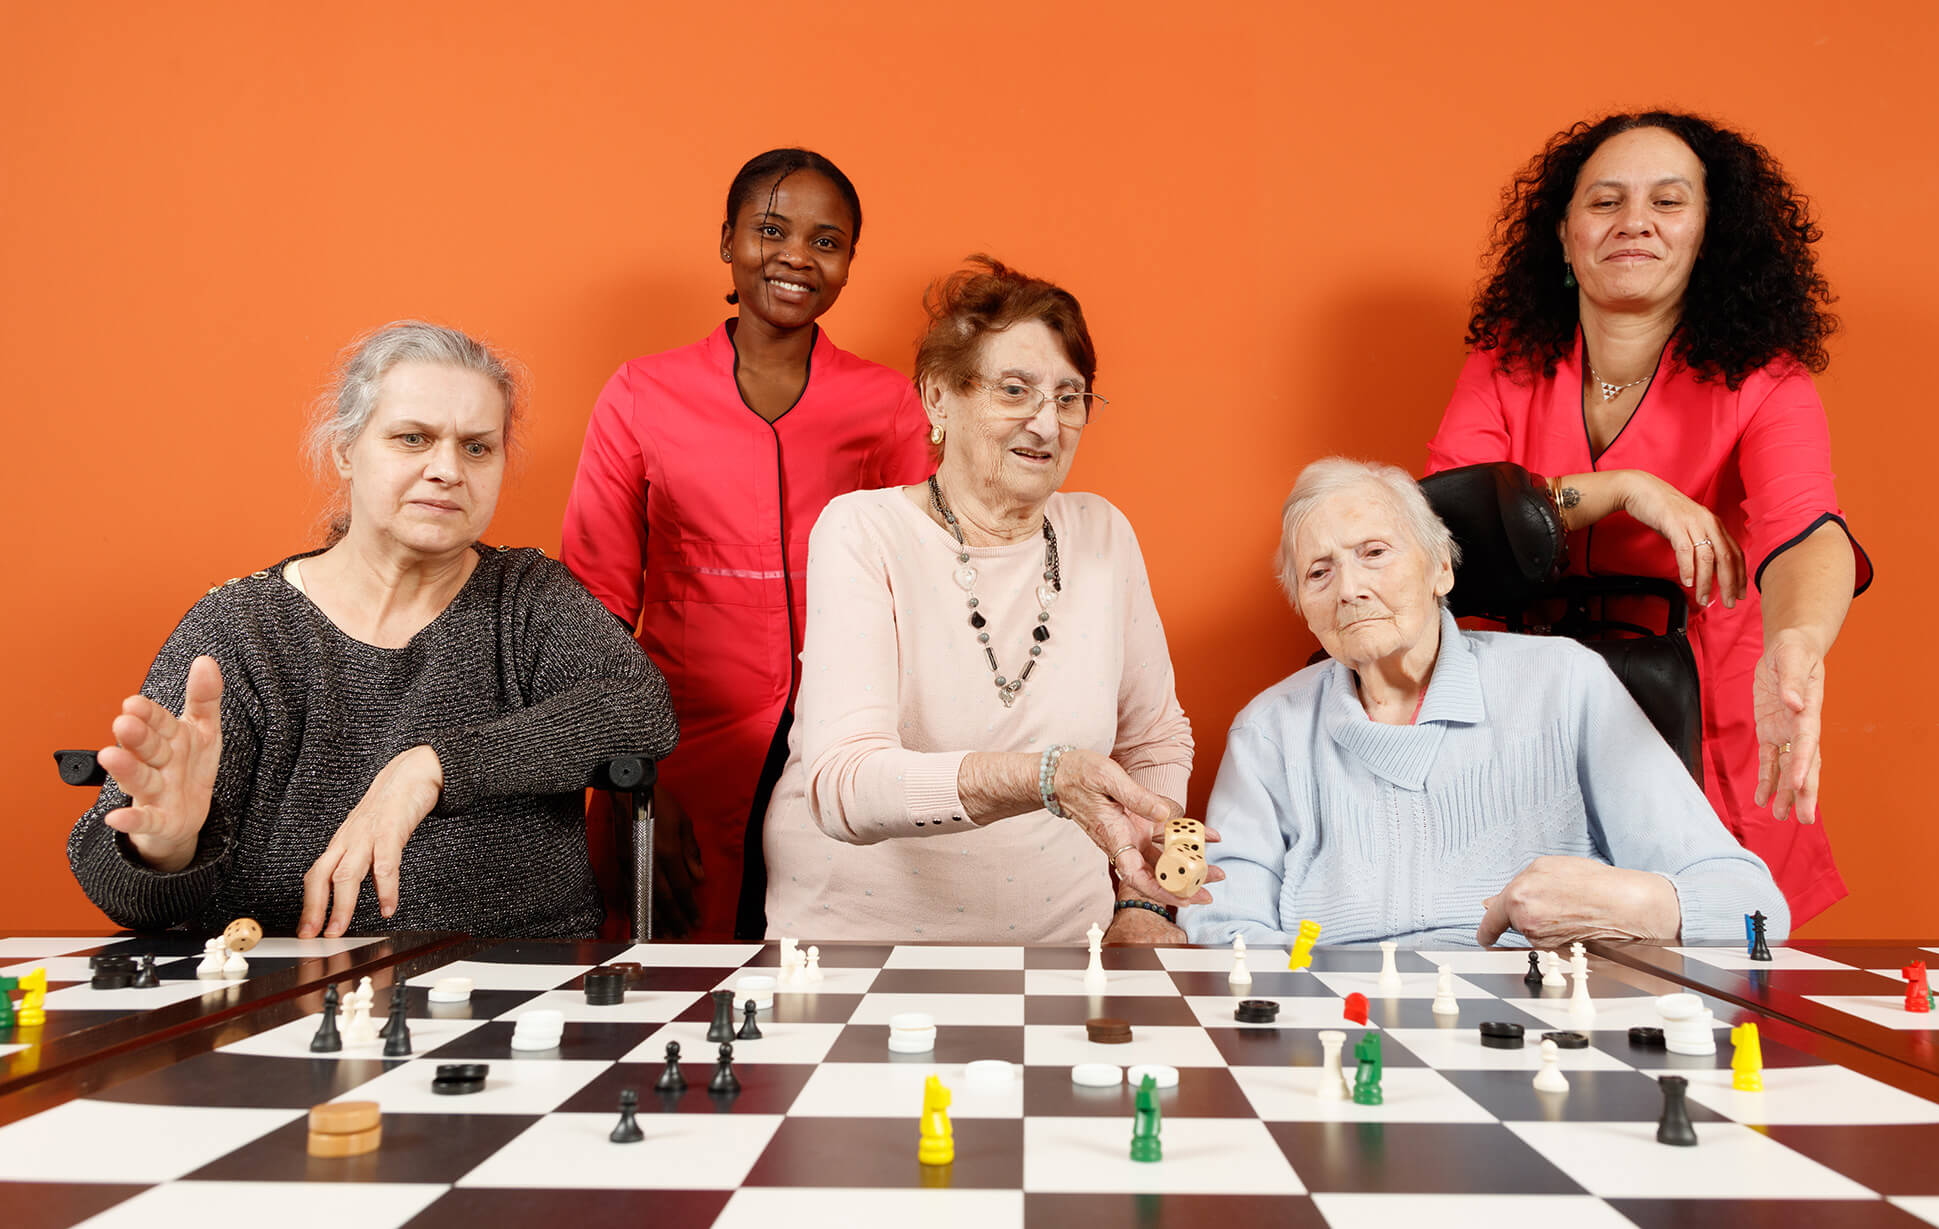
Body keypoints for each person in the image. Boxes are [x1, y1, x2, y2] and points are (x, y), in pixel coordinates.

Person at [67, 322, 679, 937]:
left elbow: (642, 707)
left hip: (522, 987)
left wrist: (436, 767)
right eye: (412, 438)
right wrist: (166, 848)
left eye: (476, 447)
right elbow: (122, 893)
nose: (447, 470)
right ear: (344, 449)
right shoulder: (244, 627)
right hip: (283, 1000)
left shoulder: (528, 598)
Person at [1425, 111, 1870, 926]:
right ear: (1563, 235)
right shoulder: (1503, 364)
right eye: (1605, 202)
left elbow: (1807, 532)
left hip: (1702, 716)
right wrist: (1621, 487)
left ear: (1710, 235)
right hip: (1525, 717)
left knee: (1711, 993)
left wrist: (1798, 643)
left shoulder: (1765, 381)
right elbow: (1442, 531)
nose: (1634, 222)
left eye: (1668, 202)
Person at [761, 257, 1207, 945]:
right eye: (1015, 390)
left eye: (1069, 397)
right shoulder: (863, 531)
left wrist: (1143, 905)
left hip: (1066, 947)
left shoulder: (1103, 535)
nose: (1047, 424)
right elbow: (844, 784)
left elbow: (1154, 738)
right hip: (857, 946)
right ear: (939, 398)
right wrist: (1045, 777)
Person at [1181, 458, 1787, 949]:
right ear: (1303, 607)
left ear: (1440, 567)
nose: (1350, 589)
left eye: (1374, 553)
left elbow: (1754, 908)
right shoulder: (1268, 730)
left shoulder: (1567, 684)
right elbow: (1218, 924)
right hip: (1337, 1033)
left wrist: (1629, 904)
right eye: (1318, 573)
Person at [562, 149, 930, 940]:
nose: (798, 256)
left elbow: (926, 592)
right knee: (667, 1014)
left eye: (826, 241)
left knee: (825, 1009)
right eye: (771, 229)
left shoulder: (889, 405)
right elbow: (591, 610)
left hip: (843, 755)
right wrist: (633, 784)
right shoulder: (640, 393)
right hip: (678, 757)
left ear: (848, 264)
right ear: (727, 239)